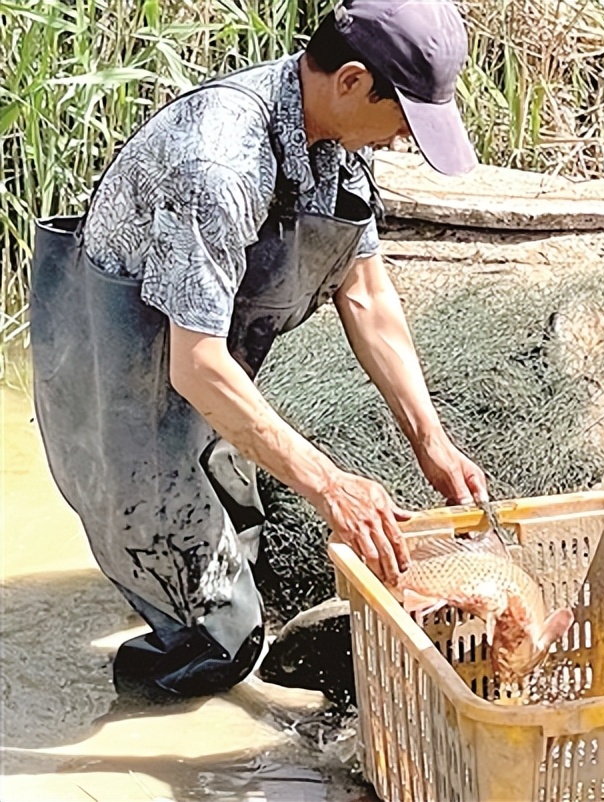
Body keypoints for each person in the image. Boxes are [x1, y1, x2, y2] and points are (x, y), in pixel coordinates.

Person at [30, 0, 489, 699]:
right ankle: (134, 713)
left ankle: (176, 595)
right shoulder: (219, 163)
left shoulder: (334, 135)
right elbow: (196, 365)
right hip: (120, 372)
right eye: (404, 121)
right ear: (353, 81)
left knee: (240, 535)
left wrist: (433, 442)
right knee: (222, 640)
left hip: (210, 356)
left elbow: (365, 290)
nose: (402, 140)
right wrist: (331, 486)